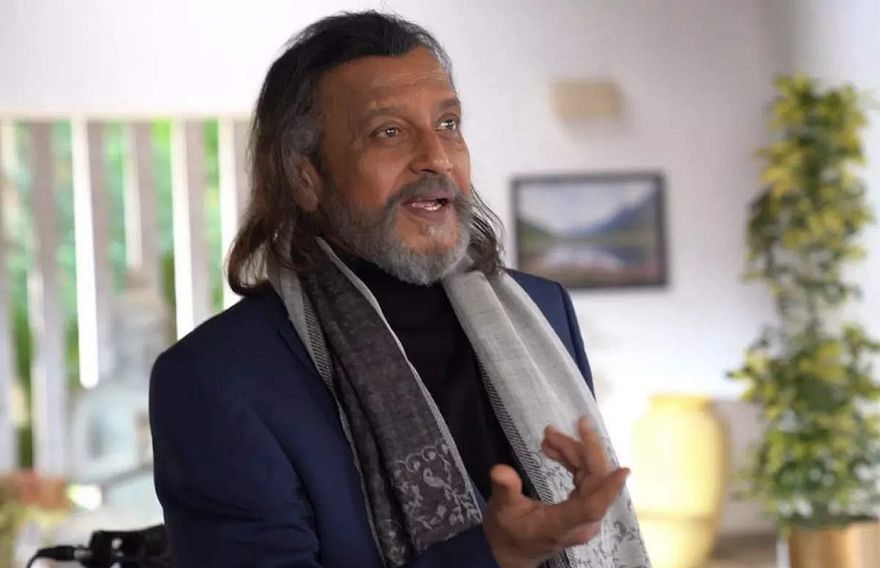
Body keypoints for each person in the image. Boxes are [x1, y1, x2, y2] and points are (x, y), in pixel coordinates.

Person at [149, 11, 649, 568]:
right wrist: (494, 554)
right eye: (388, 132)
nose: (436, 157)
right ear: (305, 177)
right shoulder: (216, 378)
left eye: (448, 124)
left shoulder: (545, 309)